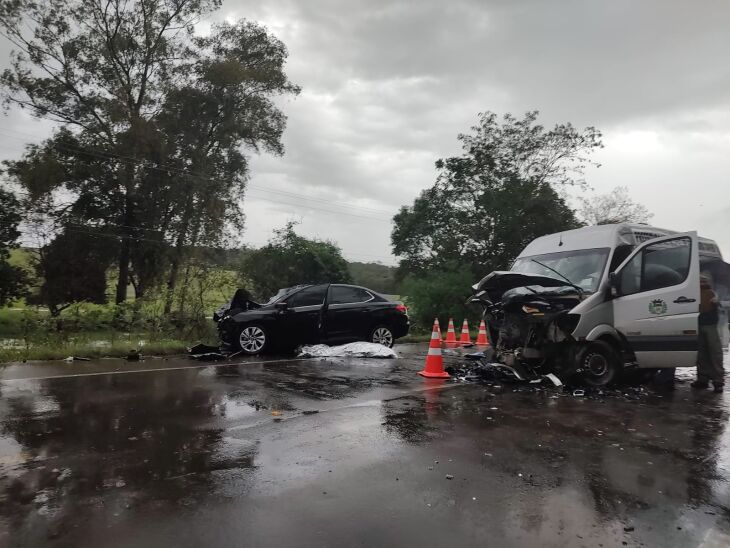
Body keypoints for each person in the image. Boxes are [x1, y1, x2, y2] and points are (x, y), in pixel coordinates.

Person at [692, 275, 724, 392]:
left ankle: (718, 381)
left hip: (710, 326)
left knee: (715, 353)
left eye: (704, 281)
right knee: (701, 354)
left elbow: (718, 305)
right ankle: (702, 379)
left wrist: (716, 301)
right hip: (698, 325)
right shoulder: (693, 292)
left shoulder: (712, 293)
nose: (702, 282)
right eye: (700, 280)